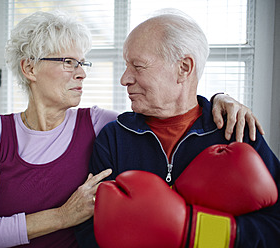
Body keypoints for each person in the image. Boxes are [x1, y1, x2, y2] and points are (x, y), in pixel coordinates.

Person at [0, 11, 263, 248]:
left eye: (82, 63)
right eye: (68, 62)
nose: (81, 74)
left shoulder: (102, 125)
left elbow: (170, 109)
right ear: (30, 68)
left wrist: (219, 100)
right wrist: (62, 216)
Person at [75, 8, 280, 248]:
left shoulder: (237, 132)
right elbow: (88, 229)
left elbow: (274, 226)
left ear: (184, 68)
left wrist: (195, 232)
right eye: (125, 65)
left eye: (138, 66)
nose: (124, 79)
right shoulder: (113, 137)